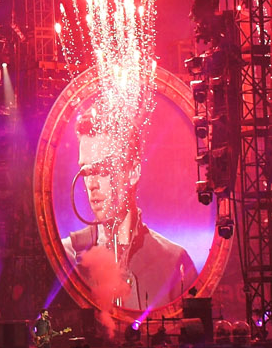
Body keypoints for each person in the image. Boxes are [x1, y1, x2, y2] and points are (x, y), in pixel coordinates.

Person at [64, 118, 197, 311]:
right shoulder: (66, 258)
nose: (91, 184)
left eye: (103, 169)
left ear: (133, 172)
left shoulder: (175, 263)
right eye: (85, 171)